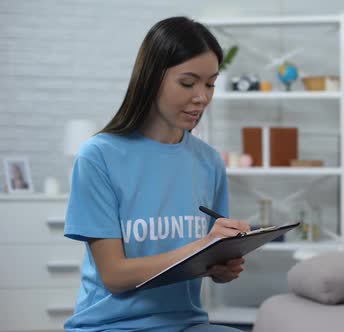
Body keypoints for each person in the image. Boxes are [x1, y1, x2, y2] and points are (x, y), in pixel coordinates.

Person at [63, 16, 251, 332]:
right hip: (111, 326)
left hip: (186, 323)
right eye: (188, 83)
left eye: (210, 84)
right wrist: (202, 247)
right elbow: (115, 276)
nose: (202, 97)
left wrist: (221, 266)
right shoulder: (99, 157)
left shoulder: (208, 161)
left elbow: (206, 259)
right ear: (151, 78)